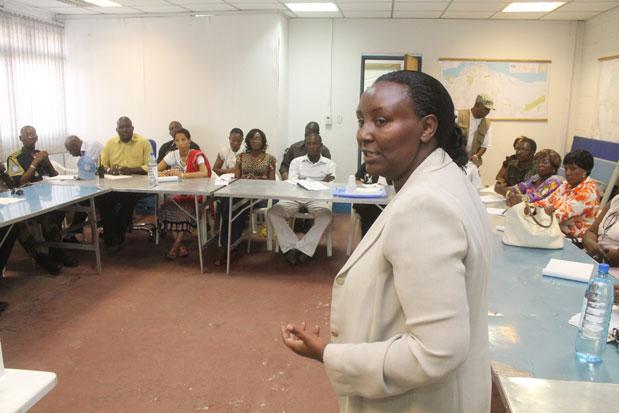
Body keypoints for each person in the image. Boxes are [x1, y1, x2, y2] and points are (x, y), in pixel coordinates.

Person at [281, 70, 491, 412]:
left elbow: (436, 351)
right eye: (361, 121)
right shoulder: (446, 179)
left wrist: (328, 354)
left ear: (427, 127)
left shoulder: (424, 206)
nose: (363, 134)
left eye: (381, 121)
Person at [6, 126, 78, 273]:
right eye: (27, 135)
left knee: (60, 211)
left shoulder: (40, 154)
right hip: (26, 202)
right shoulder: (14, 158)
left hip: (47, 198)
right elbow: (20, 183)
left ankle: (56, 251)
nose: (31, 137)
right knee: (43, 218)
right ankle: (43, 257)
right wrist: (35, 163)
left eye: (33, 135)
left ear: (37, 138)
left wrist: (47, 162)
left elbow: (55, 176)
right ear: (20, 138)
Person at [268, 133, 335, 265]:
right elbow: (293, 184)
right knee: (273, 212)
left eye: (315, 144)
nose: (312, 147)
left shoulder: (329, 164)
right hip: (294, 197)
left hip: (317, 199)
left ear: (321, 146)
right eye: (309, 144)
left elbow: (329, 187)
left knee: (327, 216)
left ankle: (304, 248)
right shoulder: (296, 162)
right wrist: (321, 181)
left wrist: (304, 180)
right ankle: (291, 246)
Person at [216, 129, 276, 265]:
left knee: (233, 207)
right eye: (253, 138)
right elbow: (237, 179)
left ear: (263, 141)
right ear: (248, 141)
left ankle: (227, 247)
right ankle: (229, 246)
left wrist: (257, 182)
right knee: (227, 203)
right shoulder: (241, 157)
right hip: (242, 193)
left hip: (259, 196)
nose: (255, 141)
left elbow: (272, 184)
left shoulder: (270, 159)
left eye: (258, 138)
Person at [98, 116, 151, 252]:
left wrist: (131, 170)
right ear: (117, 130)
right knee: (103, 201)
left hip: (137, 185)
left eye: (127, 127)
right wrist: (109, 170)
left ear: (132, 128)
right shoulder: (110, 143)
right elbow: (102, 165)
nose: (125, 130)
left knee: (126, 201)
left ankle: (118, 237)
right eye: (121, 127)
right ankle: (110, 238)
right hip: (113, 185)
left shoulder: (143, 142)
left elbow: (151, 166)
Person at [157, 128, 211, 260]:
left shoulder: (197, 155)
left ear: (189, 141)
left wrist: (181, 175)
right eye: (177, 140)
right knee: (165, 209)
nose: (180, 143)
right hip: (176, 195)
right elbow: (155, 171)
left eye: (183, 140)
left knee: (185, 211)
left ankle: (174, 248)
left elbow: (204, 173)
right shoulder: (172, 155)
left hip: (194, 195)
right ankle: (180, 247)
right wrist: (165, 173)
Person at [534, 149, 599, 239]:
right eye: (566, 169)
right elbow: (546, 202)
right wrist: (527, 206)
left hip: (572, 239)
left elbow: (557, 217)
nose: (567, 173)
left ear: (585, 170)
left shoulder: (588, 192)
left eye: (573, 169)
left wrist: (536, 212)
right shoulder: (566, 185)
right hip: (554, 230)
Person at [456, 93, 494, 167]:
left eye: (489, 110)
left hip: (472, 164)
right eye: (486, 109)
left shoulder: (487, 124)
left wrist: (476, 156)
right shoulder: (458, 115)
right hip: (454, 161)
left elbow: (484, 146)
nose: (488, 112)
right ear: (477, 104)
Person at [352, 162, 388, 237]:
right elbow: (357, 181)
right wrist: (365, 188)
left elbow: (389, 187)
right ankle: (366, 237)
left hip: (381, 202)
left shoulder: (387, 167)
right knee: (364, 210)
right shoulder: (366, 165)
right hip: (364, 200)